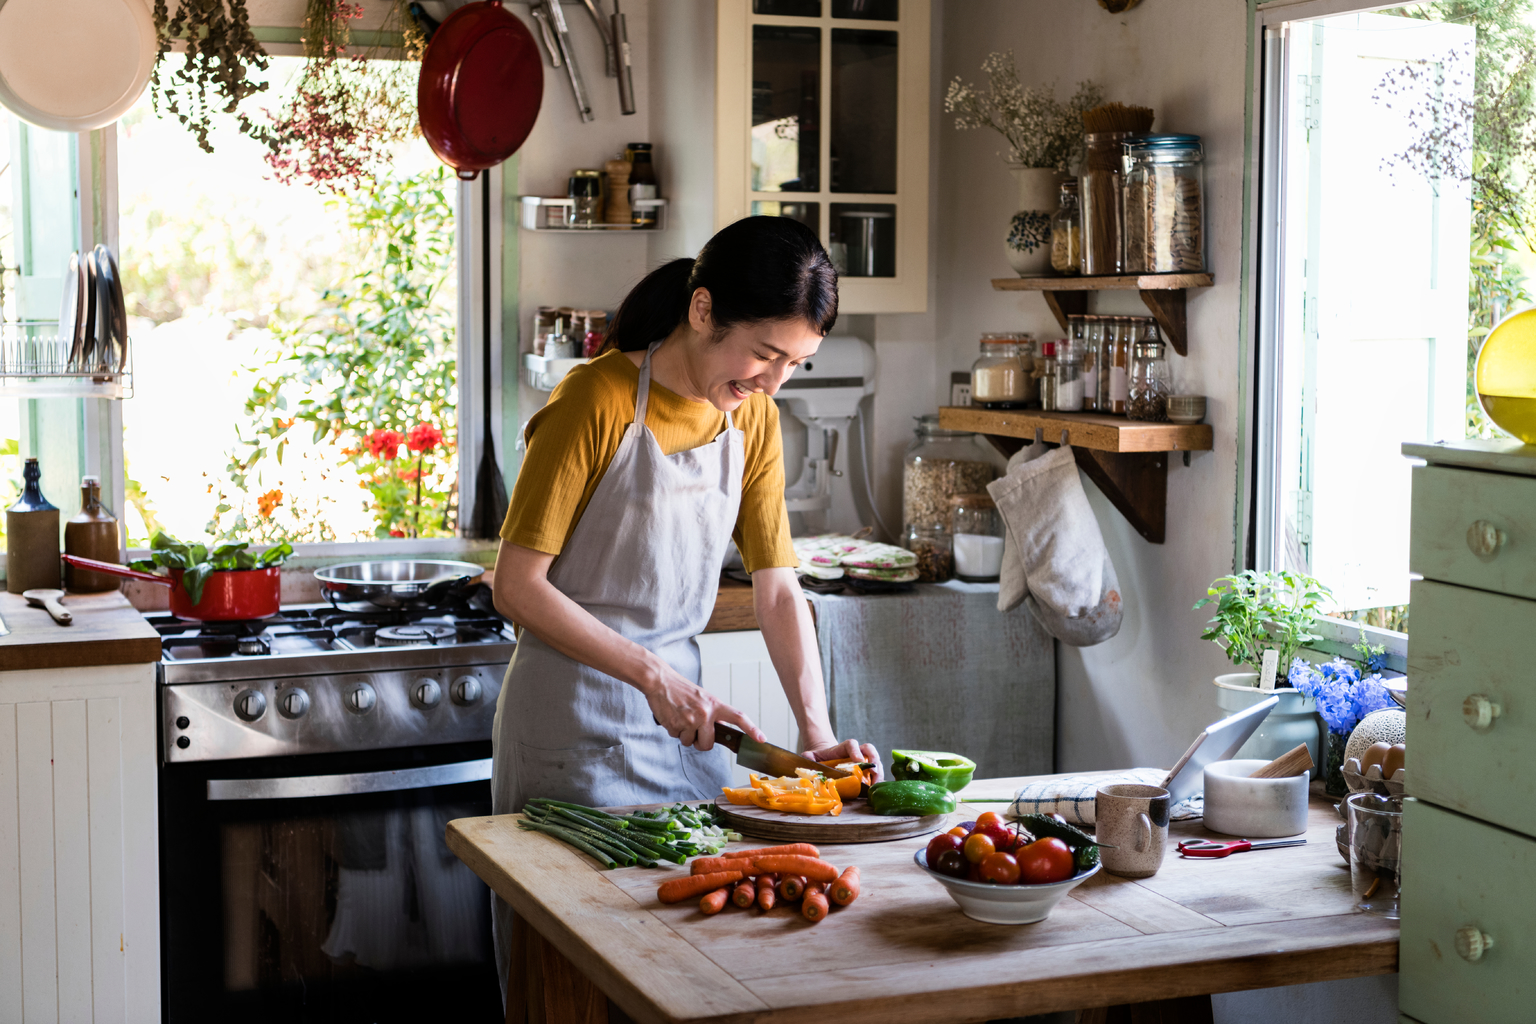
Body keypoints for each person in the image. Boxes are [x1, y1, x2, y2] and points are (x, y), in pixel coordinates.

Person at [488, 216, 880, 987]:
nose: (774, 382)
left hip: (685, 732)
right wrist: (651, 677)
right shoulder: (592, 400)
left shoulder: (754, 418)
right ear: (702, 311)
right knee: (574, 975)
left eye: (796, 363)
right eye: (766, 354)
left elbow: (776, 589)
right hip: (572, 727)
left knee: (687, 967)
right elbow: (517, 587)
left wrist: (816, 730)